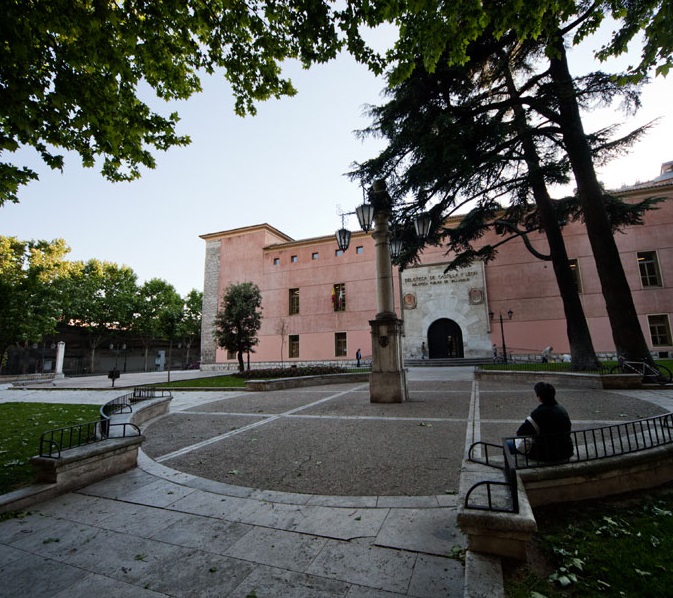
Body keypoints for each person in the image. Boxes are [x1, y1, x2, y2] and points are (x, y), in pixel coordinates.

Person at [508, 382, 573, 461]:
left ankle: (510, 470)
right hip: (566, 451)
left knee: (508, 444)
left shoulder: (539, 413)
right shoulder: (562, 410)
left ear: (539, 397)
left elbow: (521, 432)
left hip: (546, 453)